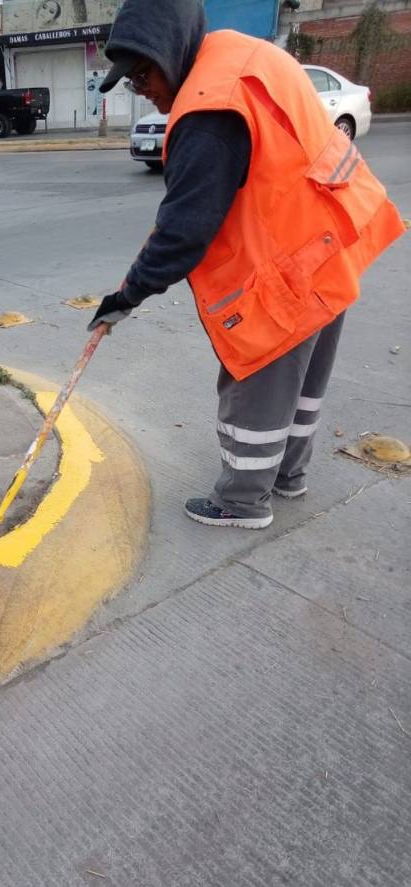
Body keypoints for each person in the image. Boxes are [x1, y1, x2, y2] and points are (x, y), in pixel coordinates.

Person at [89, 0, 405, 529]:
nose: (142, 90)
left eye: (143, 74)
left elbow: (184, 233)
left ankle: (242, 501)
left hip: (286, 272)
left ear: (171, 51)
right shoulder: (244, 55)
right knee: (302, 384)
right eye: (131, 82)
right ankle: (289, 476)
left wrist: (126, 298)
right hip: (329, 247)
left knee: (255, 389)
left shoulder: (209, 110)